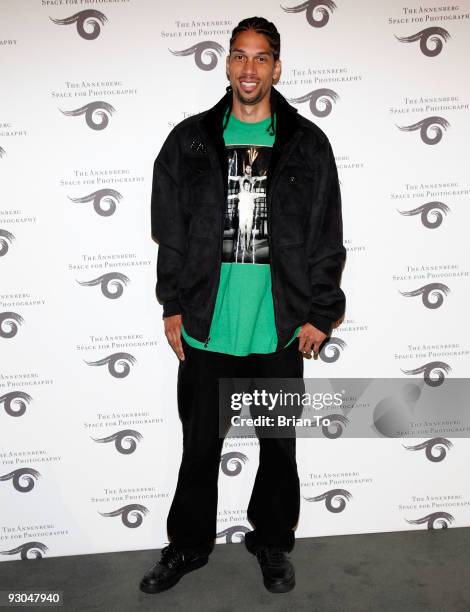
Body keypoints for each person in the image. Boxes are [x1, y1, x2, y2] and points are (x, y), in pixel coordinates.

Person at [140, 16, 346, 595]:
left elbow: (326, 231)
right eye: (239, 56)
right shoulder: (191, 140)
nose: (249, 68)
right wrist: (172, 303)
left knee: (277, 447)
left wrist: (321, 311)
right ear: (226, 63)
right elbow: (170, 231)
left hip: (279, 327)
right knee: (199, 448)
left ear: (277, 67)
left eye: (261, 58)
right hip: (207, 326)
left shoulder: (306, 143)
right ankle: (186, 546)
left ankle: (273, 541)